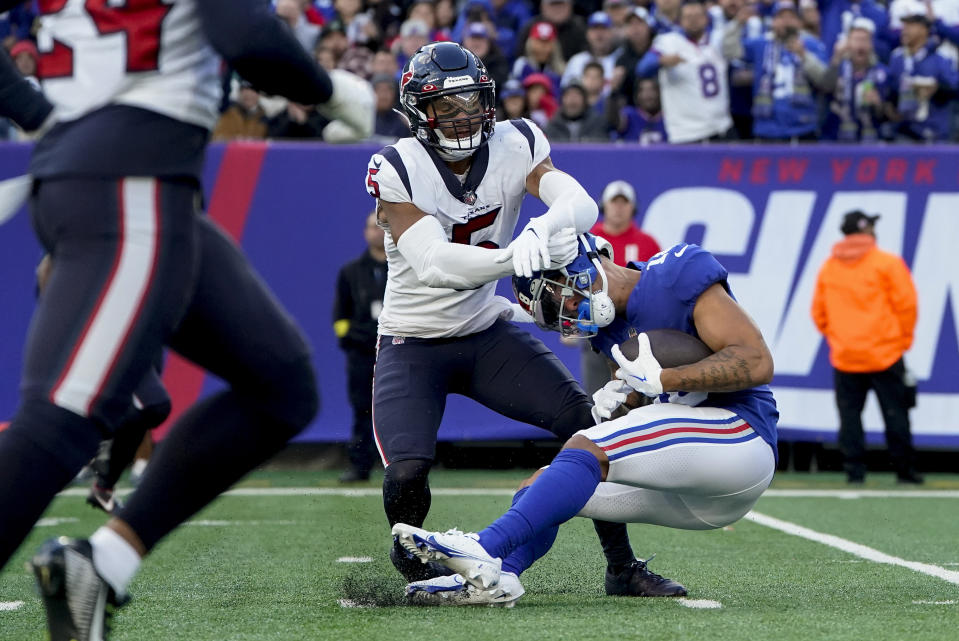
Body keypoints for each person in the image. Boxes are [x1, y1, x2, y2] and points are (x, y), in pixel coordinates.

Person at [0, 4, 372, 641]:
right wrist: (334, 91)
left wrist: (54, 121)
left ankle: (103, 565)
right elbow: (247, 35)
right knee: (64, 416)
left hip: (125, 176)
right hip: (129, 182)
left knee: (279, 386)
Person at [366, 41, 686, 604]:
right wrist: (516, 255)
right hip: (411, 340)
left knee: (587, 428)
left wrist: (545, 229)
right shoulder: (397, 166)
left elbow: (580, 204)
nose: (463, 115)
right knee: (406, 475)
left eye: (471, 101)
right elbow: (436, 263)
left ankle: (621, 567)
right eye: (448, 105)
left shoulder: (516, 142)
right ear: (420, 111)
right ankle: (419, 571)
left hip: (485, 329)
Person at [395, 233, 778, 605]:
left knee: (586, 446)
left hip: (741, 439)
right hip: (691, 488)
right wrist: (622, 404)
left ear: (584, 262)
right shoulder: (608, 333)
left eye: (554, 292)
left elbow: (757, 360)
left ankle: (483, 545)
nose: (563, 311)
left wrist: (666, 379)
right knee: (545, 484)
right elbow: (650, 416)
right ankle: (499, 575)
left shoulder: (675, 276)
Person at [811, 211, 921, 485]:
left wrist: (840, 338)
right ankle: (904, 470)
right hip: (886, 353)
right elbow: (907, 306)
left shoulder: (829, 267)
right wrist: (901, 342)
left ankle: (854, 472)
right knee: (895, 414)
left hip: (846, 355)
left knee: (850, 417)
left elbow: (818, 313)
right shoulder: (887, 263)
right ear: (869, 231)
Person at [723, 1, 830, 142]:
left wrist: (804, 56)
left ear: (799, 22)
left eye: (791, 17)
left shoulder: (811, 44)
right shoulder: (761, 43)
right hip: (767, 128)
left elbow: (825, 81)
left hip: (802, 128)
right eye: (780, 17)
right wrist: (738, 23)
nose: (786, 22)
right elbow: (730, 51)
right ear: (772, 22)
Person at [333, 211, 388, 483]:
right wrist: (354, 339)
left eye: (381, 226)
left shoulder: (403, 270)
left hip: (395, 351)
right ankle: (360, 465)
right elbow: (340, 317)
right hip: (362, 354)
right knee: (362, 408)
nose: (377, 231)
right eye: (372, 227)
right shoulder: (350, 272)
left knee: (397, 409)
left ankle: (401, 468)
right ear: (365, 233)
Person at [637, 0, 733, 143]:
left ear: (706, 18)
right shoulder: (668, 42)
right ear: (679, 21)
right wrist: (661, 61)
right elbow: (642, 69)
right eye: (688, 17)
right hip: (687, 132)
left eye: (698, 16)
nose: (693, 21)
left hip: (721, 128)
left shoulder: (717, 42)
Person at [885, 7, 959, 142]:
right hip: (904, 131)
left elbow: (955, 89)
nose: (904, 30)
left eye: (910, 26)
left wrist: (937, 89)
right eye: (904, 25)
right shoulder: (897, 58)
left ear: (924, 30)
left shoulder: (941, 58)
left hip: (935, 131)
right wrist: (889, 106)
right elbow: (890, 89)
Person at [820, 18, 890, 142]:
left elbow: (891, 114)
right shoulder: (838, 67)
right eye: (857, 39)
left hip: (870, 140)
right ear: (848, 43)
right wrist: (836, 58)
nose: (861, 44)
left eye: (865, 40)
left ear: (871, 44)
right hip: (836, 139)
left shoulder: (882, 73)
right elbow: (825, 87)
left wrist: (878, 104)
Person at [542, 81, 611, 142]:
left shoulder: (598, 124)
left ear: (585, 101)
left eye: (577, 94)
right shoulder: (551, 127)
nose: (572, 99)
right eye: (568, 95)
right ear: (562, 100)